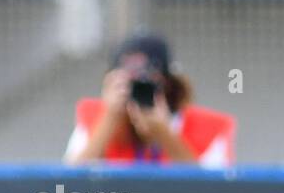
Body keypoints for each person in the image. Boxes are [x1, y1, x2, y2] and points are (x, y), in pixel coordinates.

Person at [64, 34, 235, 166]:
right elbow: (69, 186)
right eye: (129, 80)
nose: (138, 88)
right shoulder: (96, 119)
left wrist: (163, 133)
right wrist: (110, 118)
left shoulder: (207, 128)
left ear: (168, 82)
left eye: (147, 79)